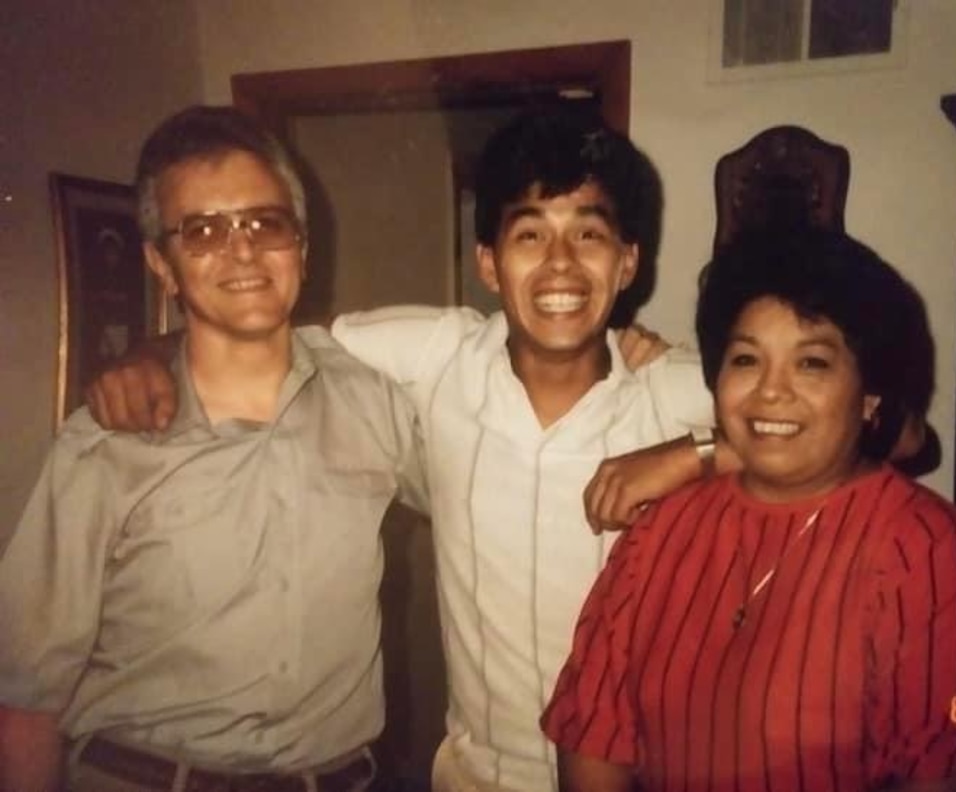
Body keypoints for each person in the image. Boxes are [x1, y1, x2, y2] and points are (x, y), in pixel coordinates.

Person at [84, 107, 727, 792]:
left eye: (589, 234)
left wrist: (704, 455)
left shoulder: (677, 390)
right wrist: (153, 353)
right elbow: (261, 333)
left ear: (628, 262)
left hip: (643, 774)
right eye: (531, 234)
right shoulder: (436, 355)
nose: (560, 264)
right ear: (488, 262)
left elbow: (846, 419)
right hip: (475, 776)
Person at [0, 106, 427, 792]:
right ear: (161, 265)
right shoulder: (105, 443)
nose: (244, 251)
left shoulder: (375, 401)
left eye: (267, 222)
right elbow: (24, 701)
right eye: (202, 231)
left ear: (302, 245)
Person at [542, 229, 956, 792]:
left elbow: (949, 767)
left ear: (869, 396)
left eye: (811, 363)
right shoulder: (662, 528)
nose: (771, 392)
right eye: (746, 359)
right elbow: (594, 734)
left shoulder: (926, 547)